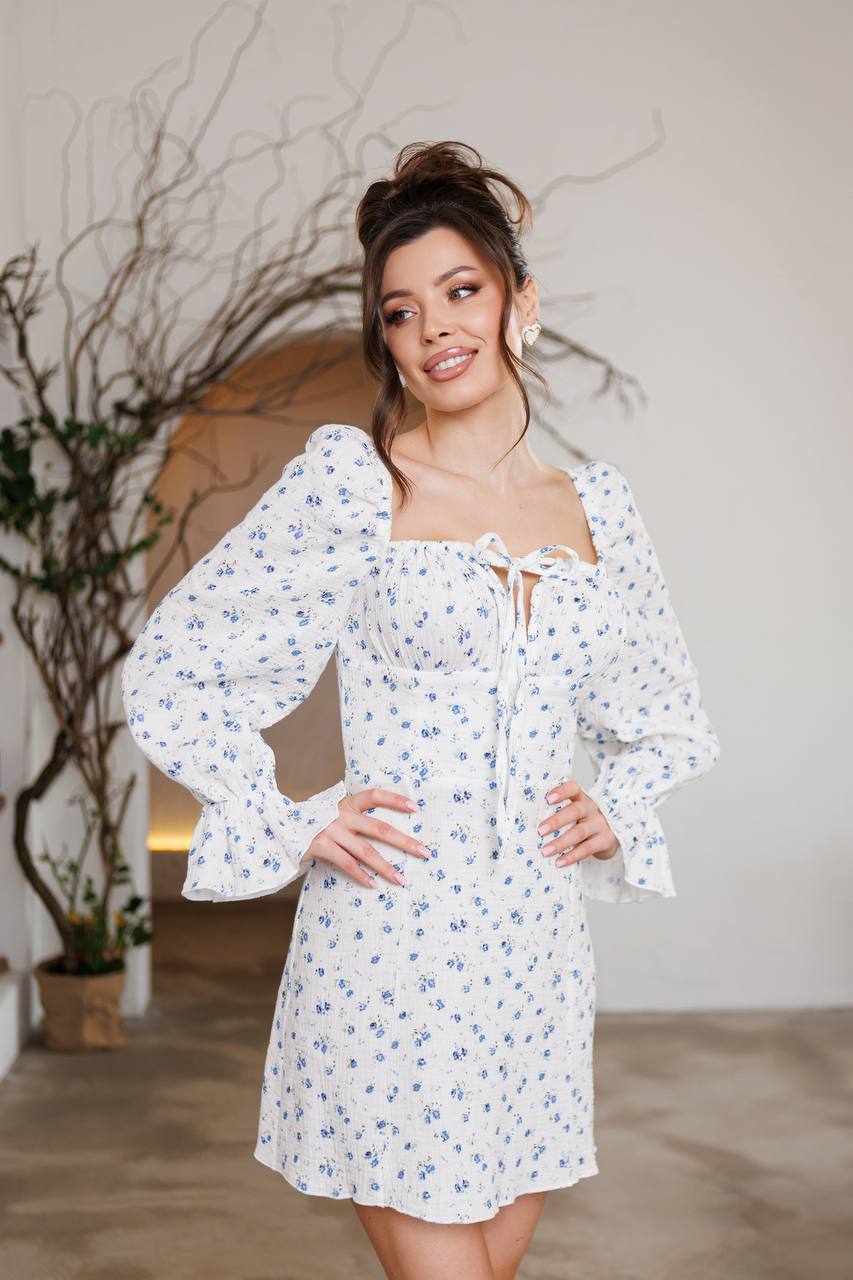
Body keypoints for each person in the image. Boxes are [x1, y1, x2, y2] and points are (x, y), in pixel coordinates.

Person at [121, 140, 721, 1280]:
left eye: (460, 291)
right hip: (391, 943)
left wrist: (618, 801)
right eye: (399, 312)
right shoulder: (357, 483)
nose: (433, 328)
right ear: (384, 339)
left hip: (535, 956)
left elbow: (659, 709)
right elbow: (174, 667)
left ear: (517, 303)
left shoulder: (596, 509)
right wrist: (295, 814)